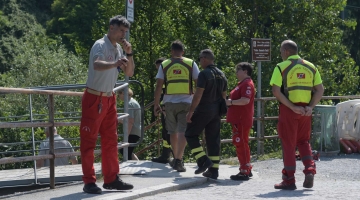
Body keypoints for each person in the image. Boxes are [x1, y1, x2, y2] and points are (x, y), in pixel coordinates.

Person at [80, 15, 135, 194]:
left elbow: (130, 72)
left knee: (111, 140)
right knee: (88, 142)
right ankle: (89, 181)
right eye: (121, 30)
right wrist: (115, 63)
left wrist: (129, 54)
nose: (123, 35)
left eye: (125, 32)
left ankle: (111, 179)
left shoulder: (119, 48)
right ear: (111, 27)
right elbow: (96, 64)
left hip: (109, 98)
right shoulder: (100, 45)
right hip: (94, 97)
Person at [270, 39, 324, 190]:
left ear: (286, 51)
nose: (281, 55)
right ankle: (310, 170)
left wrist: (292, 107)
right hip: (305, 111)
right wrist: (311, 107)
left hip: (289, 110)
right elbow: (320, 89)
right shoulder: (311, 67)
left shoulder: (281, 67)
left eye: (281, 51)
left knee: (288, 144)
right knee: (303, 141)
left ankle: (289, 179)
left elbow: (275, 91)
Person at [154, 40, 200, 172]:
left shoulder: (165, 64)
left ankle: (176, 158)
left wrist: (156, 103)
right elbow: (198, 83)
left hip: (169, 103)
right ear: (183, 52)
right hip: (186, 102)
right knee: (182, 131)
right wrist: (196, 100)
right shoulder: (191, 63)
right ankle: (179, 160)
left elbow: (158, 86)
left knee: (172, 132)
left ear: (171, 51)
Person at [185, 49, 228, 179]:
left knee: (190, 134)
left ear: (204, 59)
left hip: (204, 109)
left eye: (200, 59)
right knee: (213, 140)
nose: (200, 62)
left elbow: (198, 94)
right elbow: (224, 96)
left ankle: (203, 160)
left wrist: (191, 112)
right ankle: (214, 170)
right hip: (217, 111)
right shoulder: (222, 74)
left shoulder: (204, 74)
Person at [226, 62, 255, 181]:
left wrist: (231, 102)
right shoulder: (242, 84)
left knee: (241, 143)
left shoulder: (247, 84)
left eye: (238, 70)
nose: (236, 73)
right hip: (238, 119)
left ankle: (244, 171)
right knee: (241, 143)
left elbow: (245, 100)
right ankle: (247, 167)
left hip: (242, 119)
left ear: (245, 71)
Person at [151, 57, 173, 164]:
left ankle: (175, 156)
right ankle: (166, 155)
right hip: (165, 106)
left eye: (159, 68)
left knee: (171, 131)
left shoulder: (169, 78)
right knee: (165, 132)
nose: (158, 70)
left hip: (169, 107)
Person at [118, 88, 141, 161]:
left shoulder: (129, 104)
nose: (118, 96)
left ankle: (131, 169)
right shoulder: (132, 102)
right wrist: (120, 120)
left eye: (119, 94)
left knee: (124, 151)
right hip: (135, 130)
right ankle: (137, 163)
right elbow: (129, 121)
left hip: (132, 132)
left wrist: (125, 136)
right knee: (128, 151)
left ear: (123, 93)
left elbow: (130, 121)